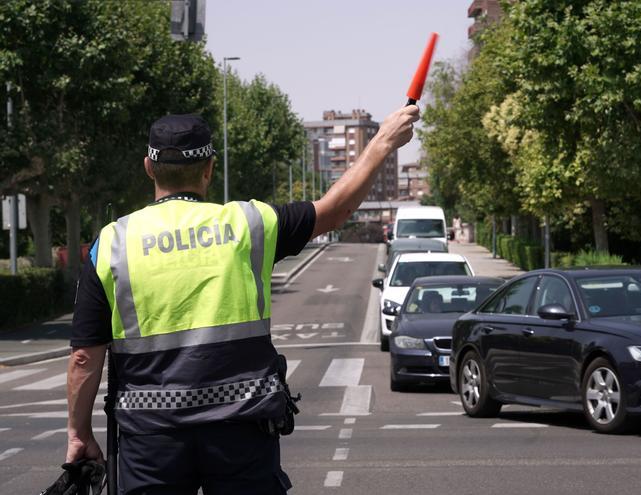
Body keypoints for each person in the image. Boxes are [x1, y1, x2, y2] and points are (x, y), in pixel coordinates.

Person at [65, 107, 419, 494]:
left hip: (151, 439)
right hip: (241, 431)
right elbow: (334, 211)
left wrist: (79, 434)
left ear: (149, 167)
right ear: (210, 169)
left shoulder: (113, 243)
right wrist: (382, 141)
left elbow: (84, 357)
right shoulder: (249, 225)